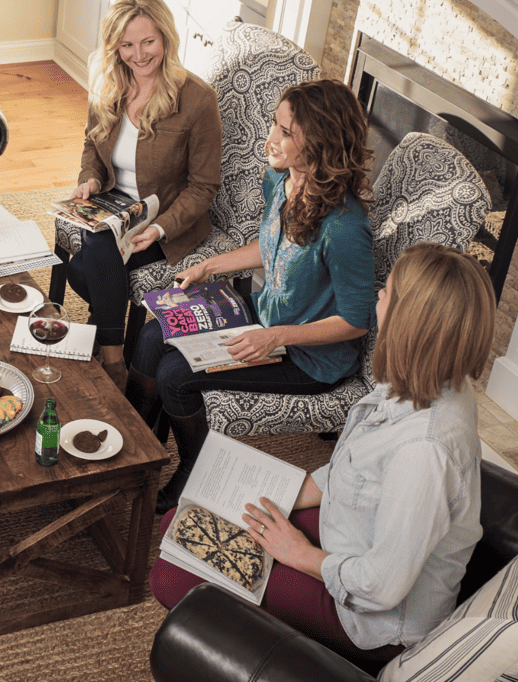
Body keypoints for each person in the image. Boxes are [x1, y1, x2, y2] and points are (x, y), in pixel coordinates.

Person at [152, 242, 495, 666]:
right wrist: (284, 493)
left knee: (171, 574)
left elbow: (380, 587)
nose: (376, 299)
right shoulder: (425, 379)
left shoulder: (424, 452)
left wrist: (297, 553)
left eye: (385, 293)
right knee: (183, 521)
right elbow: (355, 466)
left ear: (409, 323)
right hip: (350, 536)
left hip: (370, 622)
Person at [128, 79, 375, 512]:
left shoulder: (345, 227)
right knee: (152, 337)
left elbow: (356, 320)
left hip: (308, 360)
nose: (270, 140)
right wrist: (209, 266)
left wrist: (276, 336)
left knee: (174, 374)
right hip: (265, 322)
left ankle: (193, 470)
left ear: (320, 142)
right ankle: (135, 448)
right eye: (275, 126)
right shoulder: (281, 183)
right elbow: (270, 243)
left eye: (285, 132)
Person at [65, 0, 222, 389]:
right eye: (127, 45)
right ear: (115, 48)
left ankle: (113, 358)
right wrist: (91, 178)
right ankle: (114, 339)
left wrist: (159, 228)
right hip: (115, 204)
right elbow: (91, 144)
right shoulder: (108, 84)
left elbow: (204, 186)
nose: (139, 55)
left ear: (166, 38)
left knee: (89, 259)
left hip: (166, 218)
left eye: (148, 42)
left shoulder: (197, 99)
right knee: (89, 256)